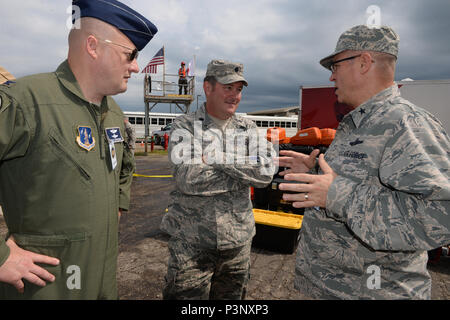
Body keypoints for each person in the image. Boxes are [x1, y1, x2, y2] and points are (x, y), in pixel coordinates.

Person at [278, 25, 450, 299]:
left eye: (335, 65)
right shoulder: (357, 122)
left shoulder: (406, 123)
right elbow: (360, 180)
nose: (332, 76)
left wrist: (335, 193)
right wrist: (312, 174)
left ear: (363, 62)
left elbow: (441, 215)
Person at [0, 0, 157, 299]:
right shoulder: (25, 102)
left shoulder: (112, 112)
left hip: (101, 280)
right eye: (131, 54)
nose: (136, 66)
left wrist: (117, 205)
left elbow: (123, 165)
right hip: (47, 288)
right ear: (93, 46)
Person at [160, 59, 276, 300]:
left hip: (238, 245)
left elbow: (265, 172)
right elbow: (189, 179)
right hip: (192, 245)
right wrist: (245, 174)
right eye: (228, 87)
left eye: (239, 89)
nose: (234, 95)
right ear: (208, 88)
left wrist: (215, 157)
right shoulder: (185, 126)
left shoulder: (247, 127)